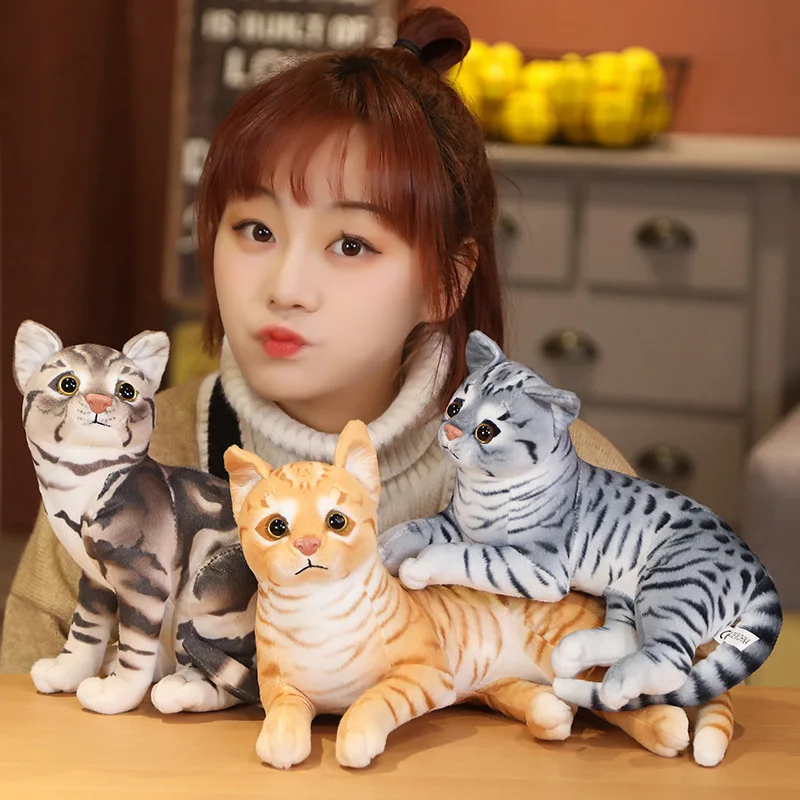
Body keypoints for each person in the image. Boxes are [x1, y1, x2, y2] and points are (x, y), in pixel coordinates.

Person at [0, 6, 632, 672]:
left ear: (446, 281)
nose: (286, 287)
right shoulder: (128, 455)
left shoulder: (568, 474)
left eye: (351, 244)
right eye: (257, 231)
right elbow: (26, 706)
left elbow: (674, 694)